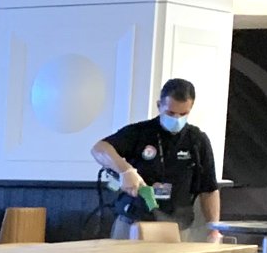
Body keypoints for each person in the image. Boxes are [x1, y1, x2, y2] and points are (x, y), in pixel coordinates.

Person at [92, 78, 223, 242]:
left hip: (177, 227)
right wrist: (125, 170)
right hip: (133, 222)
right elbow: (99, 148)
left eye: (183, 114)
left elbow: (209, 189)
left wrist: (214, 229)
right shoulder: (139, 132)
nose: (176, 119)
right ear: (159, 105)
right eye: (171, 113)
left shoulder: (197, 140)